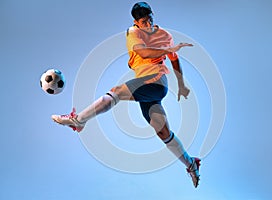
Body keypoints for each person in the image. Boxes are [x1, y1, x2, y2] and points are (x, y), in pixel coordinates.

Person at [52, 2, 201, 188]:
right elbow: (143, 52)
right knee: (163, 132)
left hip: (155, 81)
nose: (148, 24)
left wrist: (181, 84)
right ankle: (191, 164)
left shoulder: (165, 36)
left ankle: (78, 120)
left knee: (117, 92)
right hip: (147, 89)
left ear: (153, 15)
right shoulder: (133, 32)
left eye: (150, 19)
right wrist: (168, 50)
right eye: (143, 21)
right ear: (136, 22)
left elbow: (175, 60)